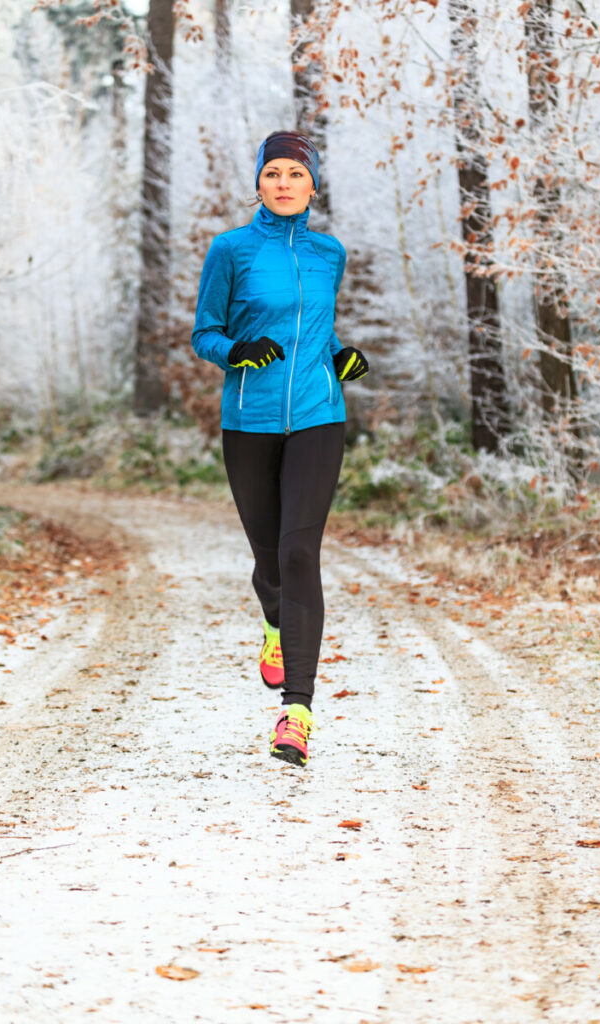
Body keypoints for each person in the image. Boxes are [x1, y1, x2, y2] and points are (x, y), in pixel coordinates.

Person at [191, 130, 368, 767]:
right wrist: (234, 350)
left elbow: (319, 328)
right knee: (269, 555)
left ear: (312, 186)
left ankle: (297, 710)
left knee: (299, 552)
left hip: (320, 416)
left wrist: (339, 356)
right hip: (250, 419)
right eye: (274, 174)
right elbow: (204, 332)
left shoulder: (330, 253)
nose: (285, 183)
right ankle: (273, 623)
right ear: (260, 184)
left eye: (296, 173)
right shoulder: (231, 250)